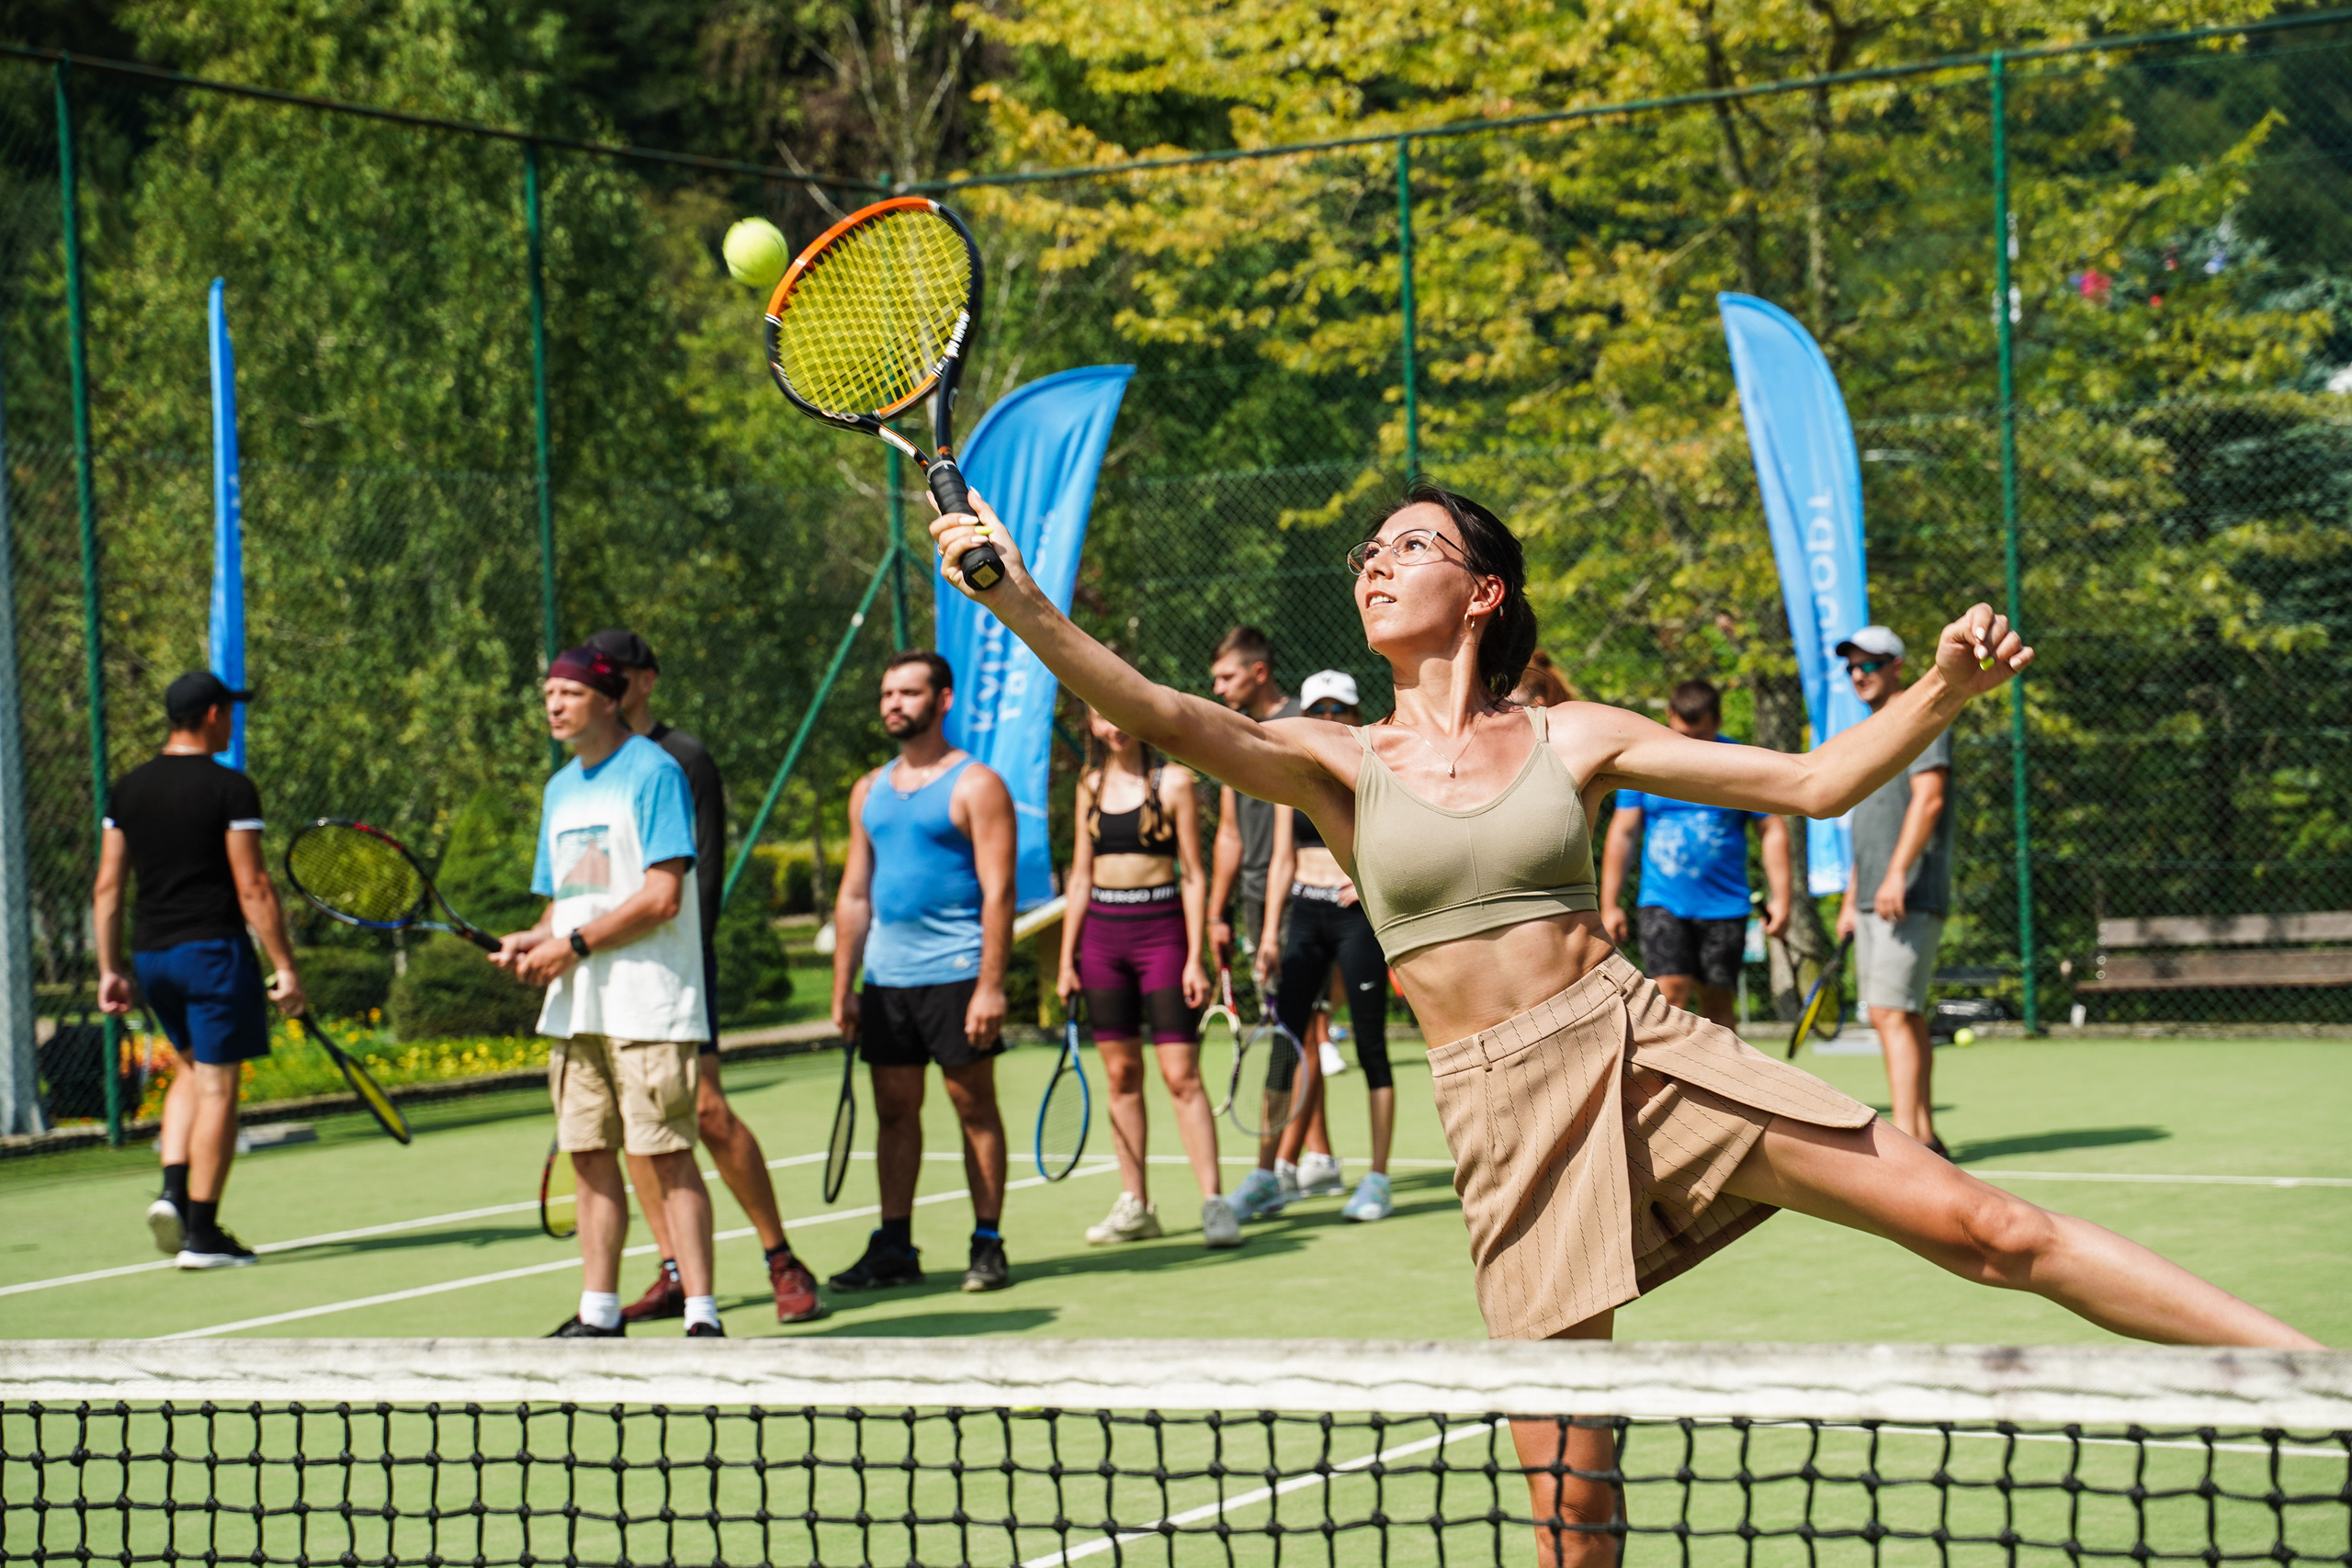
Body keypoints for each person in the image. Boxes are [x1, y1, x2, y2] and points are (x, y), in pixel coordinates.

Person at [928, 481, 2316, 1568]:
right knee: (1575, 1511)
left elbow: (1818, 781)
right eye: (1366, 549)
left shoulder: (1574, 733)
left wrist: (1946, 686)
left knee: (1990, 1229)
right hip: (1497, 1110)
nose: (1372, 560)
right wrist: (1021, 598)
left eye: (1405, 544)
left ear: (1482, 593)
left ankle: (2319, 1385)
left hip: (1643, 1046)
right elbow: (1159, 709)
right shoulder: (1332, 756)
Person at [582, 627, 822, 1325]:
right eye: (597, 677)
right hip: (608, 972)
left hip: (676, 969)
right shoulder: (593, 767)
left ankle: (782, 1258)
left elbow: (699, 877)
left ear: (646, 681)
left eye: (618, 676)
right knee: (638, 1125)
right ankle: (675, 1269)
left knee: (707, 1112)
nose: (608, 688)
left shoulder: (682, 758)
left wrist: (683, 961)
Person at [492, 645, 722, 1338]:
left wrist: (575, 943)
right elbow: (568, 899)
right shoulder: (560, 788)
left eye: (568, 692)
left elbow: (661, 895)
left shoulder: (654, 773)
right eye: (547, 694)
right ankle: (600, 1312)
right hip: (577, 1010)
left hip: (650, 1004)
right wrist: (537, 938)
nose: (554, 705)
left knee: (665, 1153)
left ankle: (702, 1316)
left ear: (610, 697)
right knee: (589, 1155)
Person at [93, 672, 305, 1269]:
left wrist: (110, 967)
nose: (233, 722)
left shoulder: (126, 790)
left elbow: (108, 886)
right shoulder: (231, 789)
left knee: (188, 1067)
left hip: (153, 957)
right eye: (230, 711)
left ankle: (173, 1192)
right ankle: (204, 1234)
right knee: (218, 1085)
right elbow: (254, 886)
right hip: (211, 951)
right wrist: (285, 966)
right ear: (212, 714)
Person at [830, 649, 1018, 1294]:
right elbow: (855, 894)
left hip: (958, 975)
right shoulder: (868, 789)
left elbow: (999, 892)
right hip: (886, 983)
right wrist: (846, 988)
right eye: (887, 693)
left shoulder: (977, 785)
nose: (893, 704)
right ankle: (894, 1243)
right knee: (894, 1111)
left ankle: (987, 1240)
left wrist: (991, 984)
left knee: (974, 1107)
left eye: (908, 693)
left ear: (942, 701)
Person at [1057, 705, 1238, 1248]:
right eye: (1100, 715)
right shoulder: (1088, 786)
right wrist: (1067, 959)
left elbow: (1192, 875)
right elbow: (1080, 878)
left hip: (1161, 938)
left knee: (1181, 1075)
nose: (1114, 724)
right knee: (1120, 1078)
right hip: (1101, 943)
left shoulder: (1175, 782)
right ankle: (1136, 1204)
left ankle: (1214, 1203)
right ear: (1090, 724)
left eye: (1120, 711)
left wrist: (1193, 958)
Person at [1236, 669, 1397, 1224]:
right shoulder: (1293, 776)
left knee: (1370, 1046)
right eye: (1319, 710)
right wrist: (1270, 936)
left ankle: (1377, 1179)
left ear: (1356, 715)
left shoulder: (1375, 769)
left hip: (1357, 917)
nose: (1329, 720)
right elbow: (1281, 857)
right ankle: (1265, 1177)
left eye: (1339, 710)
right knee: (1285, 1045)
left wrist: (1369, 882)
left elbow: (1399, 843)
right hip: (1303, 916)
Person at [1599, 679, 1792, 1029]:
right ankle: (1670, 1084)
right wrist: (1609, 903)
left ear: (1717, 721)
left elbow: (1772, 828)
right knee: (1669, 994)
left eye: (1699, 736)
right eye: (1683, 734)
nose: (1691, 746)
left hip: (1724, 905)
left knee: (1717, 1009)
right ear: (1670, 716)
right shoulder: (1645, 762)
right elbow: (1624, 830)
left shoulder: (1741, 762)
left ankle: (1719, 1085)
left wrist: (1782, 898)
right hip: (1662, 900)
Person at [1834, 626, 1955, 1156]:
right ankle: (1924, 1132)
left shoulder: (1921, 717)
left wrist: (1895, 877)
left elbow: (1929, 800)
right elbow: (1869, 822)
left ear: (1898, 666)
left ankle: (1910, 1141)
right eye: (1853, 666)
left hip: (1905, 893)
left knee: (1890, 1012)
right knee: (1902, 1013)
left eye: (1871, 664)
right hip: (1873, 896)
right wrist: (1851, 896)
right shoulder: (1876, 728)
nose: (1860, 674)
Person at [1203, 627, 1299, 975]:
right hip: (1256, 894)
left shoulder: (1307, 722)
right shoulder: (1230, 735)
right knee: (1272, 1009)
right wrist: (1216, 916)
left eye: (1227, 677)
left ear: (1259, 672)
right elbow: (1230, 833)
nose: (1218, 689)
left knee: (1316, 1015)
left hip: (1313, 893)